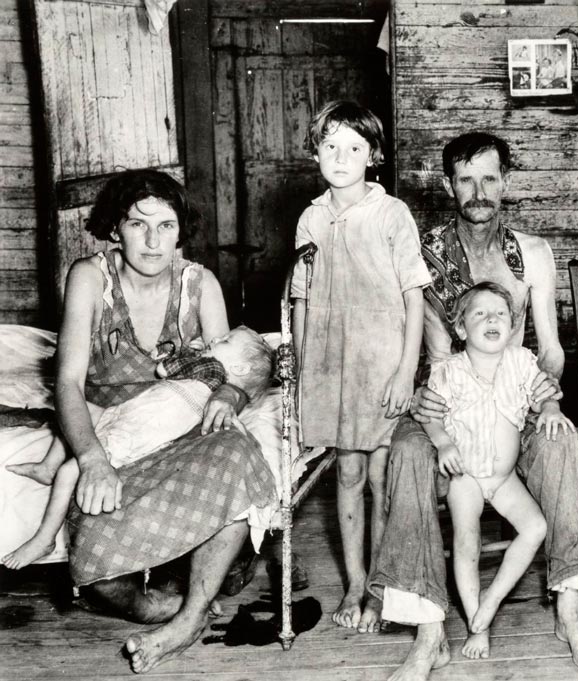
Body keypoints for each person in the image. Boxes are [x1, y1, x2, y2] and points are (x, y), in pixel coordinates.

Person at [368, 132, 578, 679]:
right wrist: (429, 407)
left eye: (489, 178)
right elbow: (410, 343)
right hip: (443, 397)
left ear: (506, 182)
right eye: (466, 180)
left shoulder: (532, 253)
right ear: (449, 185)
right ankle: (429, 628)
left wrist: (546, 404)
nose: (478, 191)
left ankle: (569, 604)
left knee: (563, 443)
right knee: (406, 454)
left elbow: (548, 349)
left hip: (515, 392)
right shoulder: (422, 252)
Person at [52, 169, 276, 674]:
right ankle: (163, 604)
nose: (153, 241)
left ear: (181, 231)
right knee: (97, 573)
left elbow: (232, 367)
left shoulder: (201, 285)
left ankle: (187, 620)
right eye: (137, 224)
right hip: (119, 437)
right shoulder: (91, 277)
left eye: (167, 226)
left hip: (182, 429)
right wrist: (91, 460)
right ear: (115, 228)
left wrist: (230, 394)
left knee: (239, 452)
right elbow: (66, 382)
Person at [291, 101, 431, 634]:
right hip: (331, 364)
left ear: (373, 156)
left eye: (354, 147)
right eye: (330, 146)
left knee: (379, 474)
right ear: (315, 154)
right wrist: (306, 370)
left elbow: (414, 297)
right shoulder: (310, 217)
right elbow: (301, 299)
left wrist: (404, 372)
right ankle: (354, 580)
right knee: (346, 472)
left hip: (381, 363)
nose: (341, 156)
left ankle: (380, 585)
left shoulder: (392, 214)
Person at [2, 326, 273, 570]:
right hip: (128, 415)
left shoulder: (211, 369)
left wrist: (191, 351)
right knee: (75, 412)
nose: (216, 337)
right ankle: (46, 468)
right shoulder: (213, 383)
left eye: (225, 340)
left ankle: (44, 538)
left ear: (239, 369)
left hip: (133, 433)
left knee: (69, 472)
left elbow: (163, 369)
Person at [424, 282, 574, 659]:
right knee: (466, 540)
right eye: (480, 314)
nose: (492, 319)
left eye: (501, 314)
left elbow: (545, 393)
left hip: (504, 478)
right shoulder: (448, 371)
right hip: (467, 478)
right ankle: (478, 625)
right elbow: (430, 416)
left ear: (511, 325)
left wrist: (551, 410)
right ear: (460, 329)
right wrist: (443, 442)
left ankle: (491, 598)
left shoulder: (522, 361)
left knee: (536, 527)